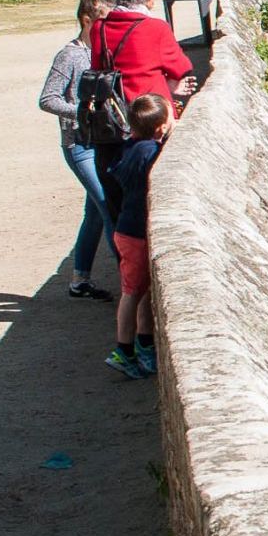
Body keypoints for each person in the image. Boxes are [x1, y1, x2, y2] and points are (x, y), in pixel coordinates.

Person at [90, 0, 196, 195]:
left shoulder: (99, 28)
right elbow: (182, 67)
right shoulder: (155, 28)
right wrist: (168, 82)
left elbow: (100, 68)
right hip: (150, 122)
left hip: (114, 122)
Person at [38, 0, 118, 300]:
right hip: (79, 145)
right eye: (103, 22)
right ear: (87, 21)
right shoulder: (70, 55)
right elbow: (47, 99)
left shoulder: (101, 51)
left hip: (100, 142)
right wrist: (84, 111)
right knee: (109, 207)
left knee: (95, 212)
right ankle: (130, 283)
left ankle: (79, 280)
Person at [104, 94, 169, 379]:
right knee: (131, 292)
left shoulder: (131, 147)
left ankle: (144, 344)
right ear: (160, 128)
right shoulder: (149, 153)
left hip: (127, 229)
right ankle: (123, 350)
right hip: (135, 234)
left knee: (142, 289)